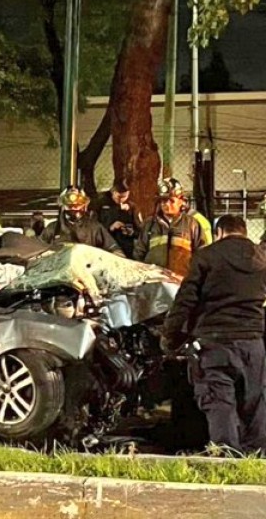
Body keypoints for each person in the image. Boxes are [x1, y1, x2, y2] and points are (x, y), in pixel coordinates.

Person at [161, 215, 266, 453]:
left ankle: (227, 456)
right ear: (244, 231)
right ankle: (258, 458)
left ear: (219, 233)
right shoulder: (261, 257)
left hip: (215, 342)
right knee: (256, 401)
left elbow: (185, 300)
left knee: (219, 401)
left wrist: (171, 336)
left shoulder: (207, 256)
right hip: (252, 342)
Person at [134, 178, 206, 277]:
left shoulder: (192, 224)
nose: (166, 204)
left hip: (182, 282)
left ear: (181, 201)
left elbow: (202, 256)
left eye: (171, 201)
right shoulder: (149, 224)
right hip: (155, 282)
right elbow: (139, 254)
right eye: (163, 201)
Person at [40, 186, 123, 255]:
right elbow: (37, 250)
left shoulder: (94, 228)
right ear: (62, 205)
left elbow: (114, 249)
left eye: (78, 205)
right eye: (70, 205)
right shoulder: (52, 229)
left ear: (84, 205)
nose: (74, 208)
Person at [95, 179, 141, 259]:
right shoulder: (100, 204)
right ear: (113, 192)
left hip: (126, 250)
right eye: (118, 197)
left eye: (124, 197)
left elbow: (140, 232)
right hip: (106, 248)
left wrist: (130, 231)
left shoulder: (132, 207)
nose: (121, 200)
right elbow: (94, 228)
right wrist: (110, 227)